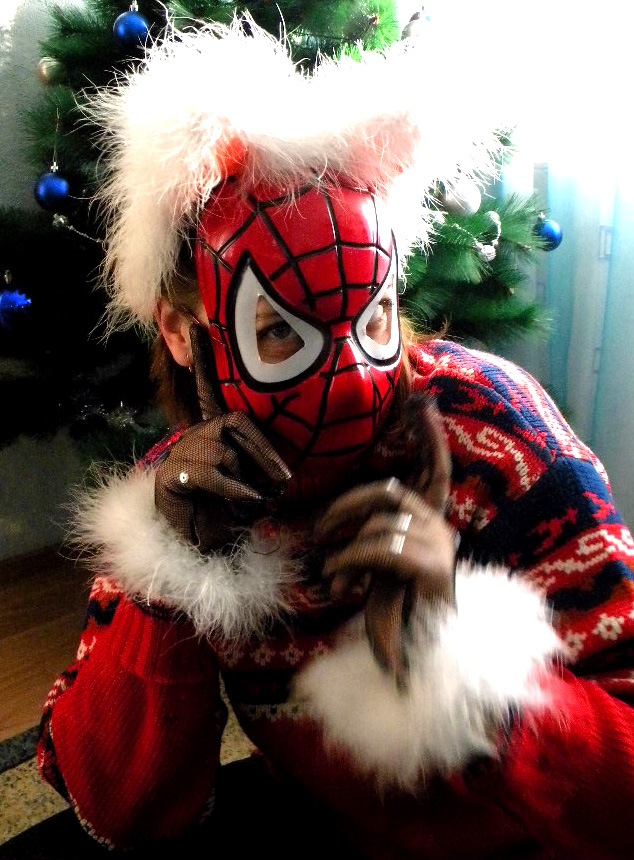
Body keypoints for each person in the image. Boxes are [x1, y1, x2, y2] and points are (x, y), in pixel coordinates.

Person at [34, 15, 634, 860]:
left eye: (374, 317)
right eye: (280, 331)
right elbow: (115, 811)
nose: (352, 377)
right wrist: (168, 584)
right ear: (181, 332)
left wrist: (474, 667)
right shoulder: (195, 494)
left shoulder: (498, 439)